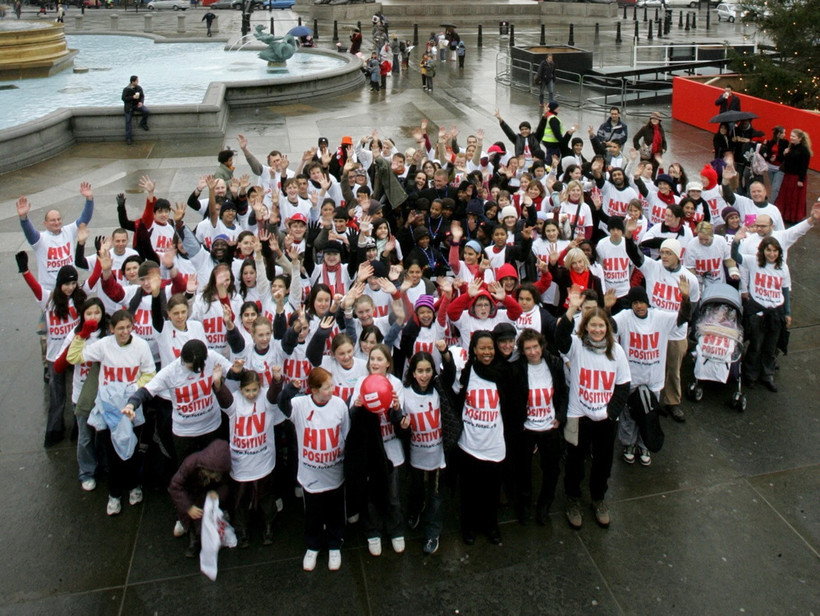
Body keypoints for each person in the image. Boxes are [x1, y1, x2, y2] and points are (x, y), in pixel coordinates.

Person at [557, 289, 630, 530]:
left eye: (602, 326)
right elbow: (560, 338)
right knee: (575, 462)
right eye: (593, 326)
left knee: (602, 462)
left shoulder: (616, 351)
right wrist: (571, 309)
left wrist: (611, 413)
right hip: (578, 415)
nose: (597, 330)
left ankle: (598, 498)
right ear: (585, 327)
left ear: (607, 329)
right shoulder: (576, 345)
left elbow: (623, 386)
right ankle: (573, 499)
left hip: (605, 419)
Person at [278, 367, 350, 572]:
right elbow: (282, 404)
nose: (331, 390)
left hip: (334, 472)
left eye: (332, 385)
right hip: (310, 475)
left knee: (336, 510)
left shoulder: (339, 406)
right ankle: (313, 545)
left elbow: (345, 432)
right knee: (313, 513)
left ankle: (335, 544)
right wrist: (291, 389)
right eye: (326, 388)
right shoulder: (300, 405)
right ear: (314, 389)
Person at [513, 328, 567, 525]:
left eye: (535, 346)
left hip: (549, 427)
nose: (533, 351)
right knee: (523, 469)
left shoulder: (554, 363)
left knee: (552, 469)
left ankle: (545, 504)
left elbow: (563, 391)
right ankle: (524, 504)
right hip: (527, 429)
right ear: (522, 350)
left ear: (542, 345)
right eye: (528, 348)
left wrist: (560, 417)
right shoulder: (518, 369)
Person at [731, 231, 790, 392]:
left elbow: (785, 290)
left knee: (771, 348)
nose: (772, 254)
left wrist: (787, 313)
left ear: (779, 252)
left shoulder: (783, 267)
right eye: (768, 250)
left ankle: (767, 375)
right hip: (757, 312)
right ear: (763, 251)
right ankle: (750, 375)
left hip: (776, 312)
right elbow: (735, 256)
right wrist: (736, 240)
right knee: (756, 345)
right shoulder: (753, 262)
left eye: (775, 251)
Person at [775, 129, 812, 224]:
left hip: (796, 177)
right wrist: (784, 154)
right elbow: (787, 161)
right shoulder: (791, 147)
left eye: (793, 136)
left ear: (800, 138)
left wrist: (801, 180)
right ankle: (785, 215)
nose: (791, 138)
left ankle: (793, 217)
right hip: (788, 175)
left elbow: (804, 166)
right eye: (791, 136)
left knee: (794, 198)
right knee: (786, 196)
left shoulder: (804, 151)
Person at [761, 126, 788, 204]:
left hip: (779, 168)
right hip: (770, 167)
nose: (784, 134)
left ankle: (772, 204)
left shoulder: (786, 143)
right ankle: (777, 201)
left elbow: (785, 156)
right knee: (773, 186)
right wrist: (770, 158)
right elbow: (767, 153)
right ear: (778, 134)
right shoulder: (771, 142)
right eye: (783, 132)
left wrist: (777, 157)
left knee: (775, 188)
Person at [122, 75, 149, 146]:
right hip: (129, 107)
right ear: (132, 82)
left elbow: (142, 96)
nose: (138, 82)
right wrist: (132, 97)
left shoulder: (139, 88)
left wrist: (141, 102)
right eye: (136, 81)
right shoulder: (126, 89)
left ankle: (143, 123)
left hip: (137, 105)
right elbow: (123, 98)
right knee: (128, 122)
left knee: (146, 111)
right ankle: (128, 138)